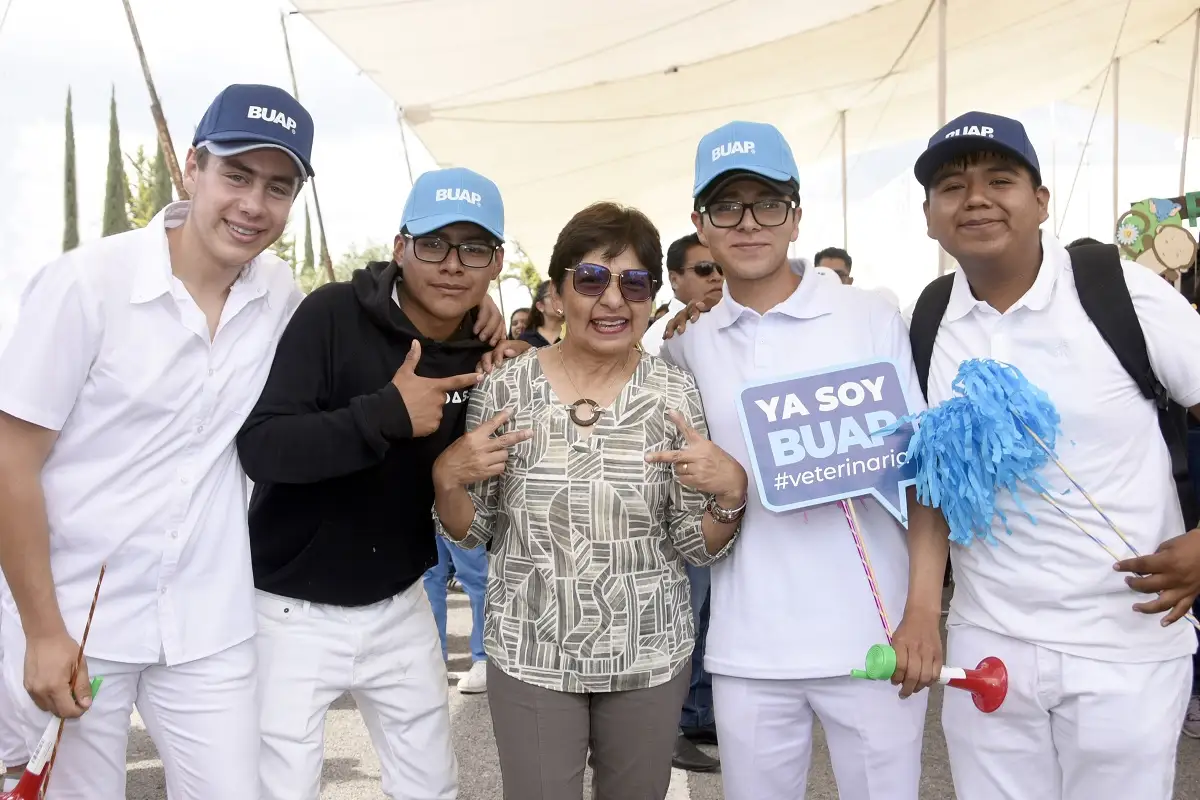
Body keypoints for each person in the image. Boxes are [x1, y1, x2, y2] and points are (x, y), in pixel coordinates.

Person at [0, 83, 315, 799]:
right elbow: (10, 461)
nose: (253, 204)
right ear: (192, 167)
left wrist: (471, 310)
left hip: (208, 622)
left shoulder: (278, 294)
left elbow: (363, 323)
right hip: (76, 620)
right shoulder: (88, 284)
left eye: (278, 187)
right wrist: (44, 632)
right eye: (237, 175)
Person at [911, 110, 1200, 799]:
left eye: (1000, 180)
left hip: (1126, 645)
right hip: (988, 642)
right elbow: (932, 477)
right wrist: (923, 608)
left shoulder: (1121, 293)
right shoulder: (928, 321)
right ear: (929, 217)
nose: (976, 199)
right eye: (952, 187)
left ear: (1041, 201)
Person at [660, 120, 949, 800]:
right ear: (701, 224)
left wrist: (922, 612)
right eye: (727, 206)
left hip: (875, 638)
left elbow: (922, 471)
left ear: (795, 216)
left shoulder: (868, 316)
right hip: (747, 650)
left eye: (768, 203)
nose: (748, 223)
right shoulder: (685, 344)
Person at [432, 201, 749, 800]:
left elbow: (694, 543)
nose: (612, 300)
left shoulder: (674, 392)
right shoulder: (505, 387)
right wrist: (447, 480)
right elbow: (476, 531)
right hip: (530, 650)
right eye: (591, 279)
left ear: (652, 297)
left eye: (634, 284)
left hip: (648, 652)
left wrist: (731, 494)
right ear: (556, 293)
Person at [236, 165, 513, 799]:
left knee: (430, 787)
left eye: (474, 248)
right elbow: (264, 447)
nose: (452, 265)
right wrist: (384, 415)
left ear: (496, 262)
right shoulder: (332, 313)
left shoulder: (484, 353)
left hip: (400, 603)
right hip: (290, 609)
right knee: (279, 790)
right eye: (433, 244)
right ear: (399, 247)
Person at [641, 233, 723, 359]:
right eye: (704, 269)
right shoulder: (662, 335)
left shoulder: (731, 321)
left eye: (721, 268)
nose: (716, 277)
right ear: (674, 280)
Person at [519, 279, 564, 347]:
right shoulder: (525, 339)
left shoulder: (577, 334)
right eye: (555, 295)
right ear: (540, 306)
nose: (562, 299)